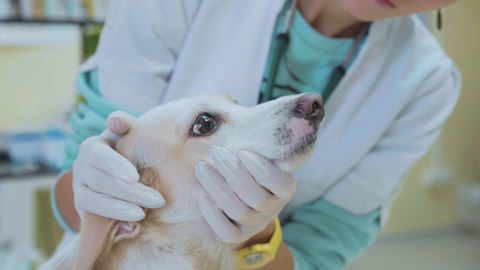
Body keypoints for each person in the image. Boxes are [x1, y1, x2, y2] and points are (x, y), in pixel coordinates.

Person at [51, 0, 461, 269]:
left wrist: (260, 236)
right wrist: (97, 196)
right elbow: (73, 198)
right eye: (205, 125)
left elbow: (315, 254)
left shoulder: (427, 83)